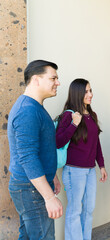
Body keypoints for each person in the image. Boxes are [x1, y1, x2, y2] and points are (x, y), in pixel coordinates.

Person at [8, 59, 63, 239]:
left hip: (31, 186)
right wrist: (49, 198)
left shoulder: (34, 107)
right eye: (53, 78)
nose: (58, 83)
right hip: (30, 188)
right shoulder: (27, 111)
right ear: (36, 80)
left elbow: (40, 148)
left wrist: (52, 174)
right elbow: (28, 157)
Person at [56, 78, 108, 240]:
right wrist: (73, 125)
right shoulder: (69, 116)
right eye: (86, 91)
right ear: (77, 93)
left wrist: (102, 166)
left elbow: (96, 143)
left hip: (90, 170)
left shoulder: (92, 115)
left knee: (89, 209)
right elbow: (58, 142)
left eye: (90, 90)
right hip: (74, 171)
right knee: (75, 211)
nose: (90, 94)